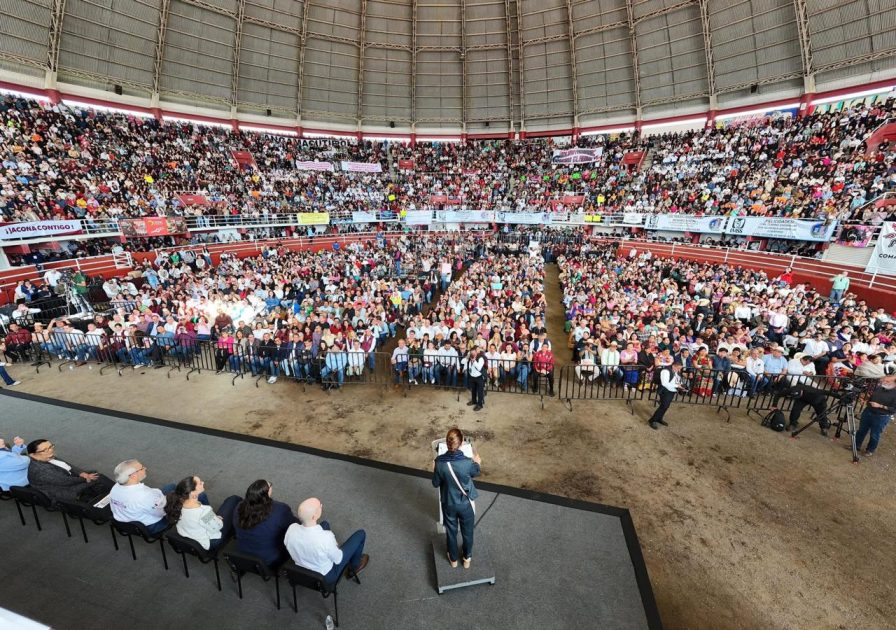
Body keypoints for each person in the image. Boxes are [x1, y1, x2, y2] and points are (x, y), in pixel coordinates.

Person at [284, 497, 370, 584]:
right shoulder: (326, 537)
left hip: (299, 570)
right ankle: (355, 566)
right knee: (361, 534)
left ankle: (331, 549)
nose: (321, 506)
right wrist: (334, 545)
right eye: (320, 506)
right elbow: (338, 559)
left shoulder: (291, 529)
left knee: (325, 524)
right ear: (314, 516)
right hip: (325, 576)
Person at [432, 428, 481, 569]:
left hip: (449, 503)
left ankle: (453, 559)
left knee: (451, 532)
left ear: (447, 444)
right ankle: (467, 559)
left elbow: (435, 483)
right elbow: (476, 472)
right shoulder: (467, 462)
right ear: (460, 444)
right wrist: (477, 462)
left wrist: (434, 468)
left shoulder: (439, 462)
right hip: (466, 504)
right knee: (468, 532)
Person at [233, 479, 299, 568]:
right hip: (269, 560)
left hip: (241, 554)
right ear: (266, 493)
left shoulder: (239, 506)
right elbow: (295, 526)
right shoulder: (280, 510)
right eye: (270, 485)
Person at [26, 439, 114, 505]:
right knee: (97, 477)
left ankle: (108, 494)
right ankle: (117, 494)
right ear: (33, 455)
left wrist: (81, 473)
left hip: (67, 480)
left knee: (94, 474)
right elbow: (65, 481)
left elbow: (68, 465)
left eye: (50, 446)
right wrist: (85, 478)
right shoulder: (41, 470)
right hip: (64, 491)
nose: (50, 450)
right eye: (45, 450)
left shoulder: (46, 457)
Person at [164, 476, 241, 550]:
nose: (203, 482)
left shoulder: (177, 504)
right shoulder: (204, 512)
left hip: (188, 533)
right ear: (193, 494)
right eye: (200, 483)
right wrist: (217, 519)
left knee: (203, 497)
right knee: (233, 500)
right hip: (208, 541)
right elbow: (218, 527)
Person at [109, 459, 171, 534]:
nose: (145, 468)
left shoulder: (115, 487)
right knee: (172, 488)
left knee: (168, 489)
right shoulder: (145, 495)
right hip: (149, 526)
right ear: (133, 475)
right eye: (142, 468)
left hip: (124, 522)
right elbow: (160, 513)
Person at [854, 375, 896, 457]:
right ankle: (856, 445)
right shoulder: (879, 388)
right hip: (868, 411)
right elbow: (871, 399)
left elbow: (893, 409)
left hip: (881, 416)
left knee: (875, 434)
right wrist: (865, 401)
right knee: (861, 430)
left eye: (888, 382)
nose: (884, 382)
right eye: (884, 380)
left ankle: (870, 450)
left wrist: (880, 406)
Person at [648, 360, 685, 430]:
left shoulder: (676, 371)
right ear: (674, 366)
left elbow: (677, 379)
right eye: (678, 368)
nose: (679, 370)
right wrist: (677, 385)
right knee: (664, 406)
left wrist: (681, 385)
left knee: (666, 406)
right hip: (665, 390)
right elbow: (664, 383)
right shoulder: (665, 371)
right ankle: (653, 420)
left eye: (680, 368)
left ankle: (659, 418)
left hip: (672, 390)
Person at [466, 347, 486, 411]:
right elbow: (464, 362)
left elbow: (479, 368)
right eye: (471, 353)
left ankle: (480, 404)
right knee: (473, 390)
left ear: (476, 352)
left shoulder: (480, 358)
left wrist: (474, 361)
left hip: (479, 377)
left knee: (480, 391)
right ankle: (474, 401)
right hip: (472, 376)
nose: (473, 354)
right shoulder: (470, 358)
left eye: (474, 352)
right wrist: (467, 357)